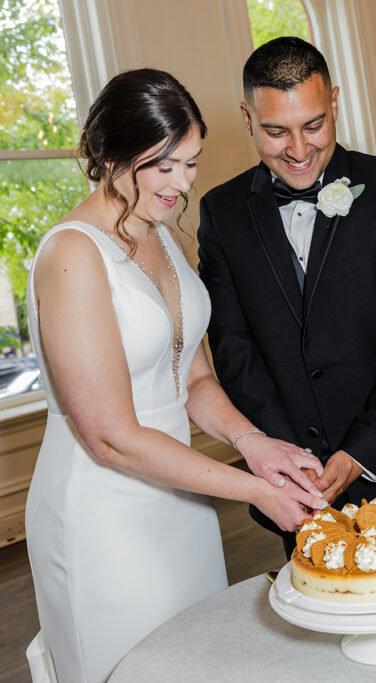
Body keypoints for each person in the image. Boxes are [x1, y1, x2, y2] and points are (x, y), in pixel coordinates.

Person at [24, 68, 327, 683]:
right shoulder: (73, 255)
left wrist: (253, 445)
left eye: (190, 163)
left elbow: (191, 381)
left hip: (181, 491)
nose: (182, 184)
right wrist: (255, 490)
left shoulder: (160, 234)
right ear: (109, 155)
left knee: (197, 660)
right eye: (163, 166)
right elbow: (109, 436)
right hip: (103, 511)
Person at [197, 37, 376, 557]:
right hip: (300, 491)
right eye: (276, 131)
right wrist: (288, 458)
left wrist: (361, 450)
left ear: (335, 103)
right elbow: (234, 347)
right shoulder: (221, 212)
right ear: (246, 118)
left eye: (313, 125)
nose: (299, 151)